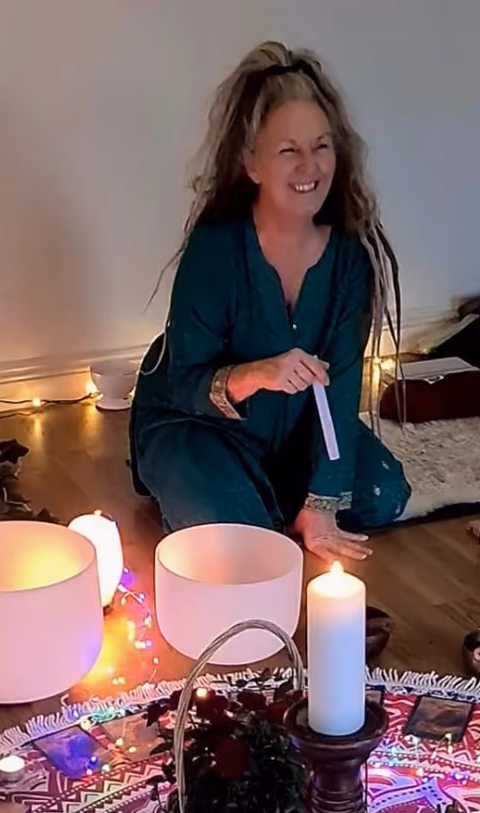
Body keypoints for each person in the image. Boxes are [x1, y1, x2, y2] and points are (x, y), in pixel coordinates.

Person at [130, 41, 410, 562]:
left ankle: (274, 499)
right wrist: (258, 373)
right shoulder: (215, 249)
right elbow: (185, 381)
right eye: (288, 150)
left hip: (296, 430)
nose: (310, 166)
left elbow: (344, 384)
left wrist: (323, 502)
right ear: (251, 162)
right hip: (199, 426)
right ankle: (224, 495)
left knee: (383, 494)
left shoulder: (349, 256)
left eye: (321, 146)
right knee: (242, 537)